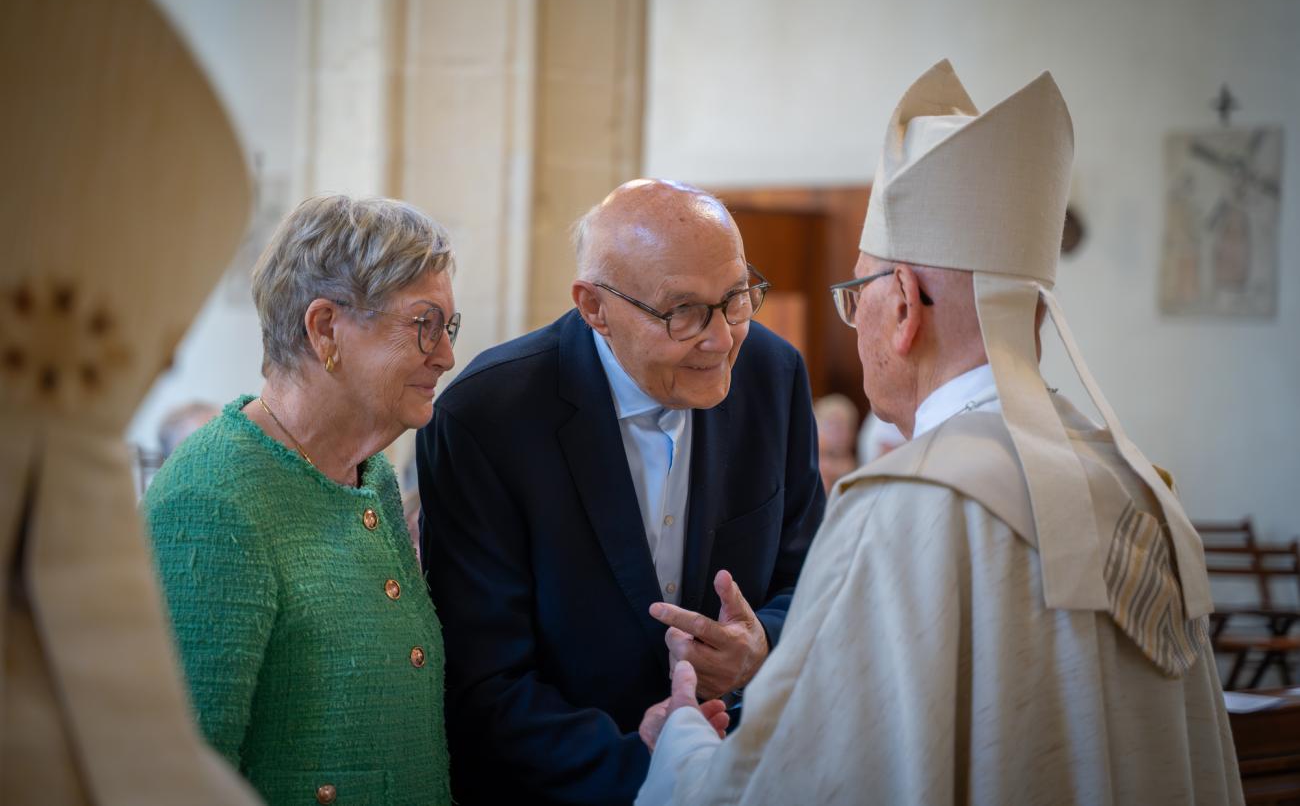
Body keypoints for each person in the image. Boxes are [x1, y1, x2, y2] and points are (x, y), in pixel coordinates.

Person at [636, 61, 1243, 805]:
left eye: (856, 296)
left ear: (902, 309)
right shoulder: (1131, 482)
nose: (856, 327)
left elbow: (798, 786)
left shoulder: (905, 507)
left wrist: (684, 749)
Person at [417, 179, 825, 805]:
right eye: (682, 311)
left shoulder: (773, 373)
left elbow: (811, 576)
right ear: (594, 308)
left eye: (737, 297)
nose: (721, 339)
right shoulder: (488, 416)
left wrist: (760, 644)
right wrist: (651, 770)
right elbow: (483, 680)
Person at [145, 195, 459, 805]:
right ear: (324, 329)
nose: (445, 355)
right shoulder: (213, 502)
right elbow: (181, 777)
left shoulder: (367, 477)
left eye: (448, 328)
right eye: (423, 325)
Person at [811, 393, 858, 492]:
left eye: (847, 427)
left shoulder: (851, 466)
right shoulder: (810, 459)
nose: (840, 434)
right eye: (832, 425)